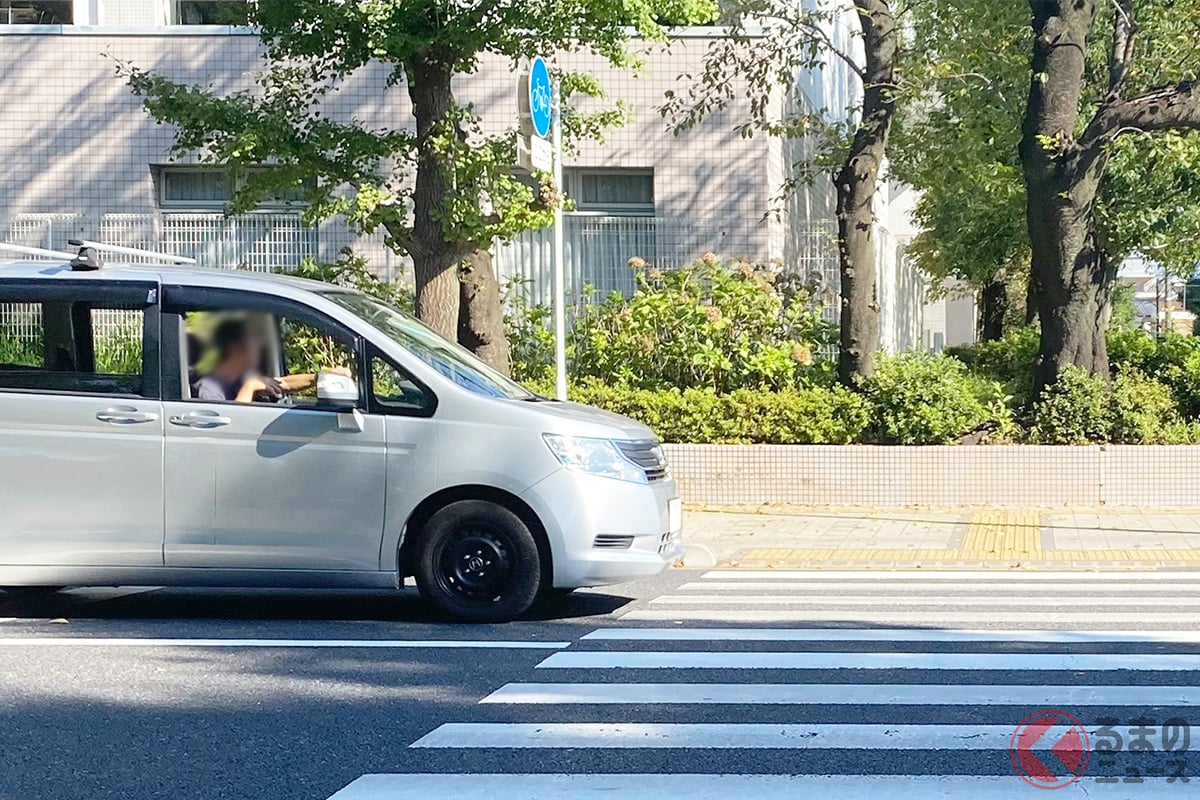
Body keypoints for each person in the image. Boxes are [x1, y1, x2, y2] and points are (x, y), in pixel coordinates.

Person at [193, 318, 334, 404]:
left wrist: (321, 378)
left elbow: (283, 383)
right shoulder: (209, 387)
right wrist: (250, 386)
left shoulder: (240, 377)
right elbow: (228, 425)